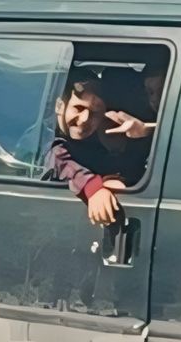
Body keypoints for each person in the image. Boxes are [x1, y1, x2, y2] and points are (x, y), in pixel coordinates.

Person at [42, 74, 148, 229]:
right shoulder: (45, 138)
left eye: (94, 113)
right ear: (59, 106)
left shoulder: (92, 143)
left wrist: (113, 178)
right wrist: (94, 188)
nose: (85, 118)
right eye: (78, 108)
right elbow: (61, 162)